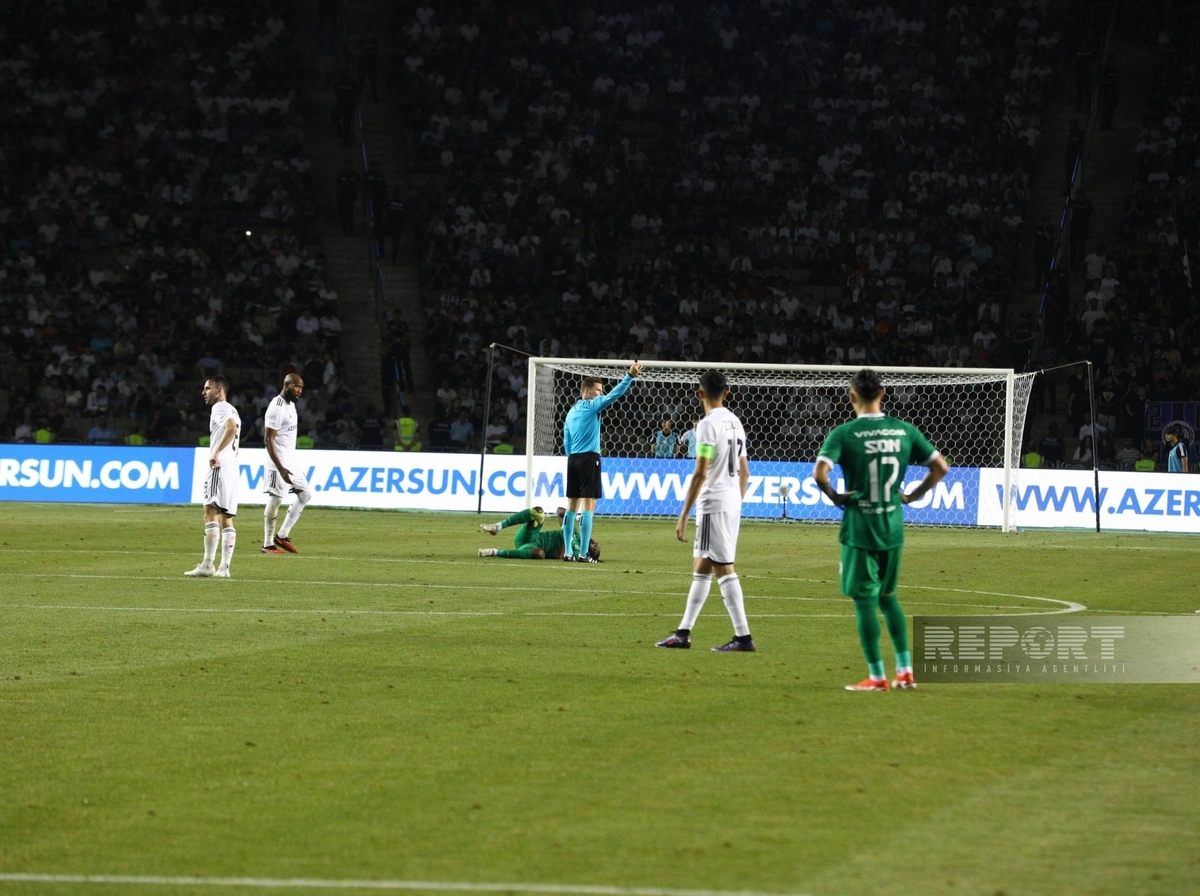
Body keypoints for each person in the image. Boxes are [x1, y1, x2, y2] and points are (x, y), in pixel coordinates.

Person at [813, 369, 948, 691]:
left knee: (864, 601)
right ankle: (906, 672)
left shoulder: (844, 434)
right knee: (888, 597)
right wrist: (912, 496)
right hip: (892, 527)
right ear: (882, 395)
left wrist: (835, 497)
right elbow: (940, 467)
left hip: (860, 529)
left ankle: (877, 677)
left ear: (852, 397)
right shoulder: (904, 430)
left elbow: (820, 474)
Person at [656, 369, 755, 652]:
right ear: (726, 393)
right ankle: (683, 633)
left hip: (714, 503)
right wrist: (736, 502)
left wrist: (683, 514)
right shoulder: (735, 422)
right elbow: (745, 471)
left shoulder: (707, 426)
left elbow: (701, 472)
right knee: (702, 566)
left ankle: (743, 637)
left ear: (700, 393)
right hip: (730, 502)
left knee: (723, 568)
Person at [561, 361, 641, 561]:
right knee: (589, 506)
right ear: (587, 391)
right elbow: (614, 395)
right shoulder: (592, 406)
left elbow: (566, 441)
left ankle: (568, 552)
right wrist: (629, 376)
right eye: (598, 390)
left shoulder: (571, 412)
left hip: (573, 460)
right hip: (589, 458)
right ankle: (583, 554)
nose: (601, 393)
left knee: (571, 507)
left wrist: (573, 457)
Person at [186, 376, 242, 578]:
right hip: (232, 467)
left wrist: (215, 452)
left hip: (219, 467)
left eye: (207, 388)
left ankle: (208, 565)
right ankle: (224, 568)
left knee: (210, 513)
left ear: (219, 391)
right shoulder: (233, 410)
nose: (203, 392)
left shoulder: (219, 407)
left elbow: (231, 429)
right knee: (226, 519)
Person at [261, 374, 313, 555]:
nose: (299, 390)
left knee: (305, 495)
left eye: (301, 388)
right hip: (278, 463)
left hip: (291, 461)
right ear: (286, 385)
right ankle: (267, 544)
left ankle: (282, 535)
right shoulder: (277, 408)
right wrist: (281, 468)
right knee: (276, 499)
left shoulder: (291, 405)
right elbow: (268, 440)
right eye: (296, 386)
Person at [478, 506, 599, 561]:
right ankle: (498, 527)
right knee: (538, 512)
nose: (594, 542)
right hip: (530, 535)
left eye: (594, 547)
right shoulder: (574, 533)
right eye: (596, 543)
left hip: (530, 547)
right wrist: (575, 517)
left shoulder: (577, 552)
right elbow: (560, 512)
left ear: (589, 554)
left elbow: (562, 555)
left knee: (540, 554)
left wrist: (569, 543)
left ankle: (494, 552)